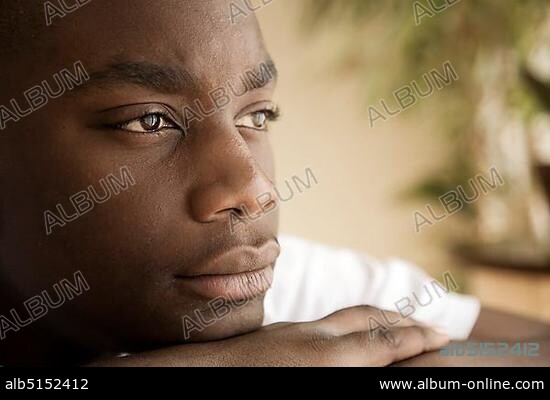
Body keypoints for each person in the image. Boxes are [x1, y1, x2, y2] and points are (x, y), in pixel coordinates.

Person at [0, 0, 548, 367]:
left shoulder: (288, 290)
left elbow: (535, 347)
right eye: (149, 121)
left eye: (257, 116)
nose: (255, 190)